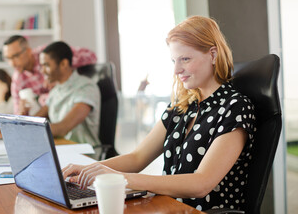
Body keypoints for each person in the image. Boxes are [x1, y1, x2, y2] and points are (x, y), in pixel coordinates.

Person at [62, 16, 256, 212]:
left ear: (213, 55)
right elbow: (137, 158)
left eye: (185, 59)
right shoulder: (182, 105)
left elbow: (201, 183)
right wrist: (90, 169)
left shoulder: (236, 107)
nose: (177, 70)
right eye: (174, 60)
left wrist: (121, 178)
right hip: (169, 208)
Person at [0, 41, 101, 147]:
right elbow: (35, 122)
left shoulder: (86, 88)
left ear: (64, 64)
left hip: (84, 153)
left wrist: (14, 133)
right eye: (41, 65)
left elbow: (63, 128)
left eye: (46, 65)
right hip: (62, 147)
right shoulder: (56, 91)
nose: (42, 71)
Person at [2, 35, 98, 114]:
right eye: (8, 58)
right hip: (49, 116)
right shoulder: (18, 79)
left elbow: (91, 55)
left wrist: (57, 74)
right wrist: (22, 112)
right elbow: (17, 113)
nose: (12, 64)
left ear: (28, 51)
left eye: (16, 56)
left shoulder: (46, 53)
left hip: (70, 107)